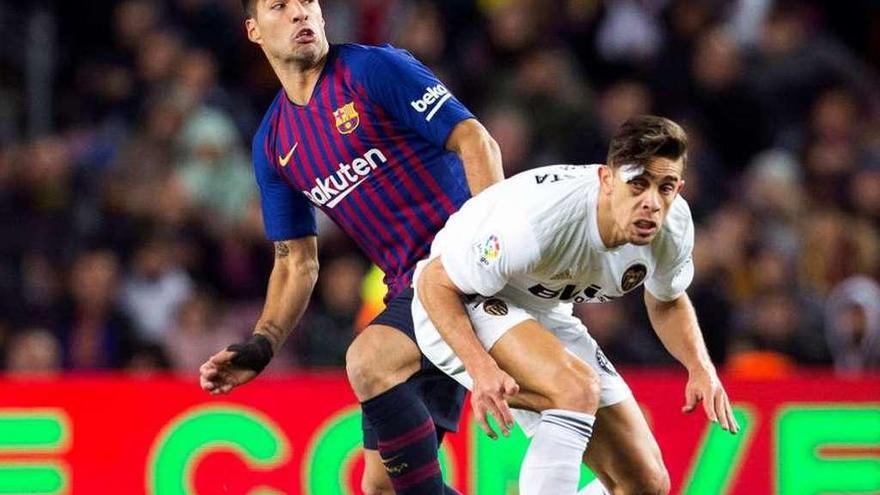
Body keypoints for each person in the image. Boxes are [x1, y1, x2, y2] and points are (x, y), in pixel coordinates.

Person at [197, 1, 503, 494]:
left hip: (465, 259)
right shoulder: (273, 143)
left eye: (308, 3)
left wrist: (494, 252)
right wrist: (262, 343)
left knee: (369, 358)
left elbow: (475, 141)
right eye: (280, 6)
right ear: (254, 31)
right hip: (416, 292)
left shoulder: (373, 68)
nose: (300, 14)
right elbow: (296, 261)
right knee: (381, 487)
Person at [412, 116, 739, 494]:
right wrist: (480, 366)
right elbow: (434, 282)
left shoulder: (674, 225)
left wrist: (700, 367)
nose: (651, 202)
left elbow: (666, 301)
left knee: (646, 482)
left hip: (542, 311)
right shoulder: (537, 222)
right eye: (638, 185)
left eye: (665, 188)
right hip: (464, 303)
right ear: (606, 180)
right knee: (575, 388)